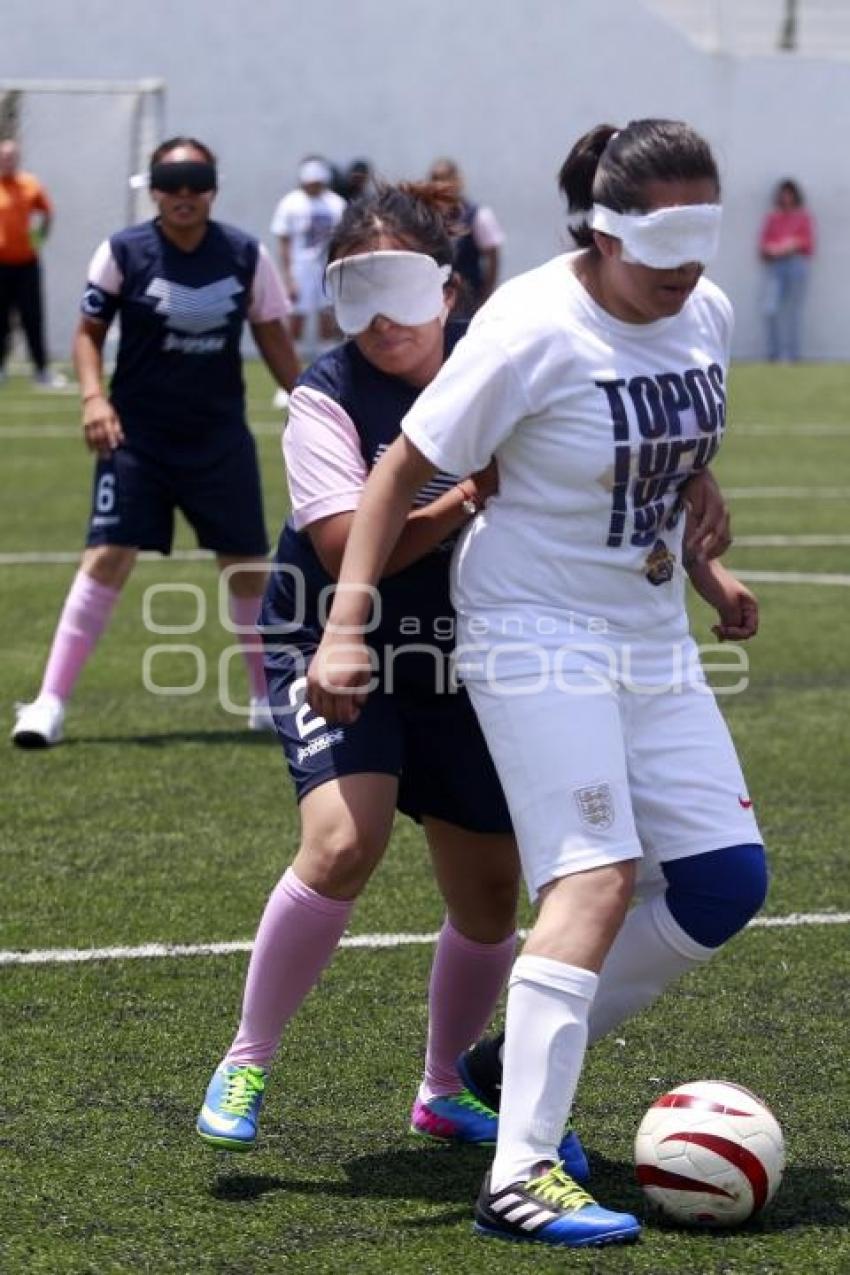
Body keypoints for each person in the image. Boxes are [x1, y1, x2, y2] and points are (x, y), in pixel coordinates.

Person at [307, 119, 768, 1250]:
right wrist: (346, 627)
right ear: (603, 230)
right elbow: (397, 473)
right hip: (532, 629)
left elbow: (666, 448)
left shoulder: (698, 314)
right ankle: (518, 1173)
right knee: (597, 880)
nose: (685, 262)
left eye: (702, 231)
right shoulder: (527, 327)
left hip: (647, 634)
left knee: (722, 883)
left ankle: (510, 1061)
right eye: (661, 236)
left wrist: (705, 545)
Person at [10, 136, 300, 749]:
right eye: (172, 182)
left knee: (247, 564)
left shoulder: (246, 255)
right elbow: (87, 333)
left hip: (219, 436)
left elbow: (272, 337)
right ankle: (49, 703)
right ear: (154, 189)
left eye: (197, 182)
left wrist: (309, 401)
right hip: (137, 436)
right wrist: (94, 399)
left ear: (214, 188)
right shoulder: (124, 251)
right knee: (108, 555)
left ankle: (264, 699)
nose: (185, 195)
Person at [0, 139, 65, 387]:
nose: (7, 161)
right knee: (1, 320)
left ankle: (41, 370)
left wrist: (38, 239)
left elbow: (47, 213)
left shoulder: (30, 184)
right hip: (0, 265)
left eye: (11, 157)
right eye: (3, 157)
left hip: (27, 263)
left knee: (32, 317)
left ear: (17, 158)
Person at [270, 156, 347, 353]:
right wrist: (288, 278)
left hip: (326, 269)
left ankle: (327, 367)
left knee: (327, 319)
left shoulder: (336, 203)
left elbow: (344, 239)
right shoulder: (291, 203)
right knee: (296, 319)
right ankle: (289, 373)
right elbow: (284, 242)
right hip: (300, 269)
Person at [428, 157, 504, 317]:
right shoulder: (426, 217)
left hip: (467, 303)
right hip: (433, 303)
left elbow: (493, 259)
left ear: (457, 180)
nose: (439, 185)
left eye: (444, 179)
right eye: (435, 179)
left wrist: (484, 299)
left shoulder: (478, 216)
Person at [759, 178, 814, 363]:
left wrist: (791, 245)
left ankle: (793, 354)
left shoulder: (803, 217)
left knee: (793, 311)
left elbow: (808, 244)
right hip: (776, 267)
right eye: (783, 192)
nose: (786, 196)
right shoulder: (772, 218)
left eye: (789, 192)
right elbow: (763, 246)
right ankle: (774, 354)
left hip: (796, 265)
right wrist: (777, 248)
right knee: (771, 309)